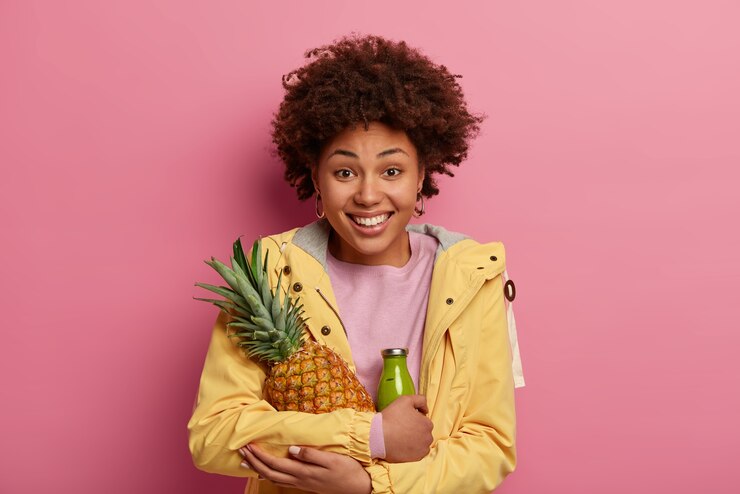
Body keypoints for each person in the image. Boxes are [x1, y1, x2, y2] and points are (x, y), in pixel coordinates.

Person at [188, 33, 525, 494]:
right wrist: (372, 436)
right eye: (345, 172)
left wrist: (372, 485)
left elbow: (489, 446)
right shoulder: (268, 271)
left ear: (422, 176)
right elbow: (214, 436)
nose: (368, 195)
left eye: (392, 170)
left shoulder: (475, 275)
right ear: (316, 180)